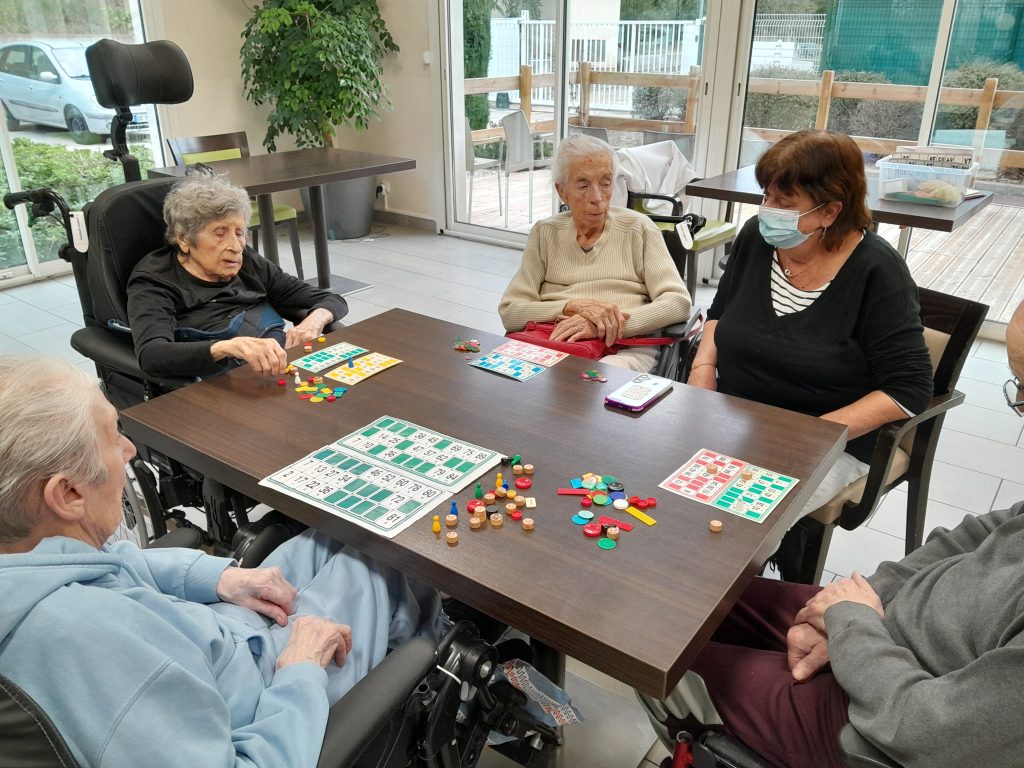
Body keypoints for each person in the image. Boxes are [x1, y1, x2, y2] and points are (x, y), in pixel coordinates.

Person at [0, 354, 442, 768]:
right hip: (270, 701)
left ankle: (411, 633)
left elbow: (115, 561)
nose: (130, 449)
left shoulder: (31, 553)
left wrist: (223, 579)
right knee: (382, 557)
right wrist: (302, 669)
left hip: (223, 636)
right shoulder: (92, 646)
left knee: (341, 532)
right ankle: (435, 678)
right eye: (113, 438)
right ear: (68, 494)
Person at [639, 298, 1024, 768]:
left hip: (880, 726)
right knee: (676, 597)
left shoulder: (874, 277)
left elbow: (931, 735)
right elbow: (974, 534)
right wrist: (860, 604)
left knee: (651, 650)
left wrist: (854, 628)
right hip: (881, 632)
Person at [688, 130, 933, 553]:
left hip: (826, 438)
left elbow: (909, 388)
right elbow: (720, 313)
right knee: (652, 479)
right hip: (735, 416)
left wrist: (811, 435)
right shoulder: (756, 238)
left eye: (784, 203)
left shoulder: (878, 271)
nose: (767, 211)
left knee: (731, 531)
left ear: (830, 211)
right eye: (766, 196)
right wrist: (703, 369)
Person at [498, 133, 691, 372]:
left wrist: (608, 325)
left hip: (623, 346)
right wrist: (569, 306)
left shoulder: (638, 228)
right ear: (562, 191)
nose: (598, 198)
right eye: (583, 186)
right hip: (553, 338)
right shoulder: (545, 233)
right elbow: (511, 311)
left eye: (605, 183)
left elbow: (678, 302)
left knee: (593, 384)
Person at [127, 172, 348, 380]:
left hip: (276, 372)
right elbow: (152, 355)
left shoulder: (247, 262)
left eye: (240, 233)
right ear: (184, 238)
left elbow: (331, 300)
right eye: (220, 233)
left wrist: (314, 321)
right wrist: (228, 347)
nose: (235, 246)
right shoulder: (154, 280)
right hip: (217, 386)